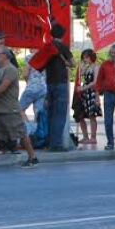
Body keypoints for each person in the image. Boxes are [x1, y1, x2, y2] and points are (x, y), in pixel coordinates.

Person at [83, 43, 115, 155]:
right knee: (108, 121)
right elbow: (98, 82)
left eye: (114, 53)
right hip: (109, 95)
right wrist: (97, 97)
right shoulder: (105, 65)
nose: (112, 55)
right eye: (111, 53)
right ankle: (110, 143)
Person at [43, 23, 74, 151]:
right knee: (60, 114)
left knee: (50, 114)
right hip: (60, 82)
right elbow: (72, 63)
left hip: (49, 82)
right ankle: (56, 144)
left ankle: (50, 142)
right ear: (63, 34)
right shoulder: (62, 47)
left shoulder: (47, 47)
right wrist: (66, 63)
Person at [20, 54, 48, 148]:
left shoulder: (29, 57)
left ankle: (30, 129)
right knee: (38, 112)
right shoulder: (45, 56)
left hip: (32, 87)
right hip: (43, 88)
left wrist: (28, 82)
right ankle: (38, 133)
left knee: (19, 109)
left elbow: (25, 73)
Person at [74, 49, 101, 145]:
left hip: (92, 93)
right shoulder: (86, 67)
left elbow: (95, 82)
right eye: (84, 57)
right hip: (84, 93)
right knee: (81, 114)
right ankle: (85, 136)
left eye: (87, 57)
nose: (85, 59)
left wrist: (84, 87)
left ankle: (93, 137)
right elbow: (80, 76)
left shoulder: (96, 67)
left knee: (92, 115)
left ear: (91, 57)